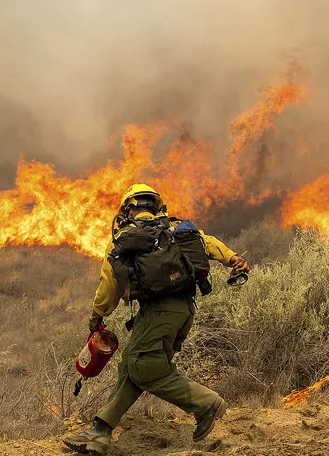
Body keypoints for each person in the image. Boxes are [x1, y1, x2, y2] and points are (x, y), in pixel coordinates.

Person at [62, 184, 250, 455]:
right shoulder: (174, 229)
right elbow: (207, 242)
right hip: (185, 311)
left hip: (157, 312)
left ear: (128, 209)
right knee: (131, 366)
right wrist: (233, 258)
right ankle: (101, 430)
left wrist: (98, 315)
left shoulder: (125, 237)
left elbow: (109, 284)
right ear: (156, 206)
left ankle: (206, 403)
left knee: (144, 366)